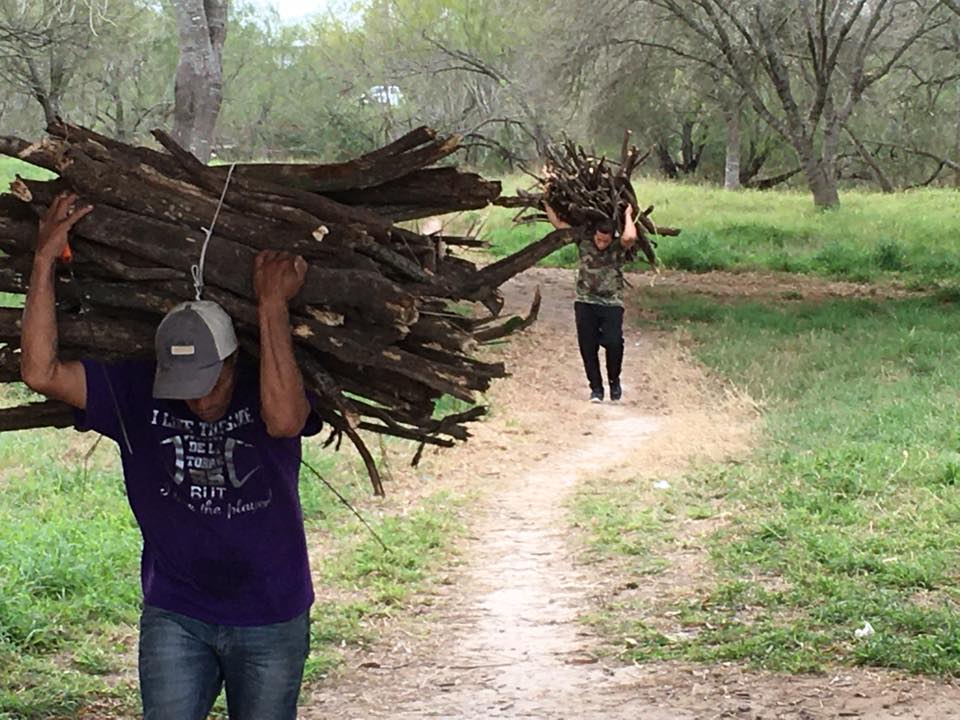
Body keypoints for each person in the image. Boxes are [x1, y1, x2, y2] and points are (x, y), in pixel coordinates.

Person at [20, 192, 321, 720]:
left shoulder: (268, 385)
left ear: (234, 361)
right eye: (185, 385)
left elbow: (286, 422)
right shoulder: (135, 394)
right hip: (177, 612)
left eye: (211, 381)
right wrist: (44, 260)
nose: (200, 399)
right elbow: (40, 372)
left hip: (271, 613)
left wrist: (272, 305)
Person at [544, 200, 654, 402]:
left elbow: (630, 236)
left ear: (612, 237)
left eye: (605, 240)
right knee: (587, 346)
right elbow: (559, 224)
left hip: (611, 303)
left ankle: (614, 381)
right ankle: (596, 388)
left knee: (614, 343)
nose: (601, 243)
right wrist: (546, 202)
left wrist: (628, 214)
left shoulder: (616, 248)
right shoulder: (584, 242)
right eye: (599, 239)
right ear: (594, 234)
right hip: (585, 301)